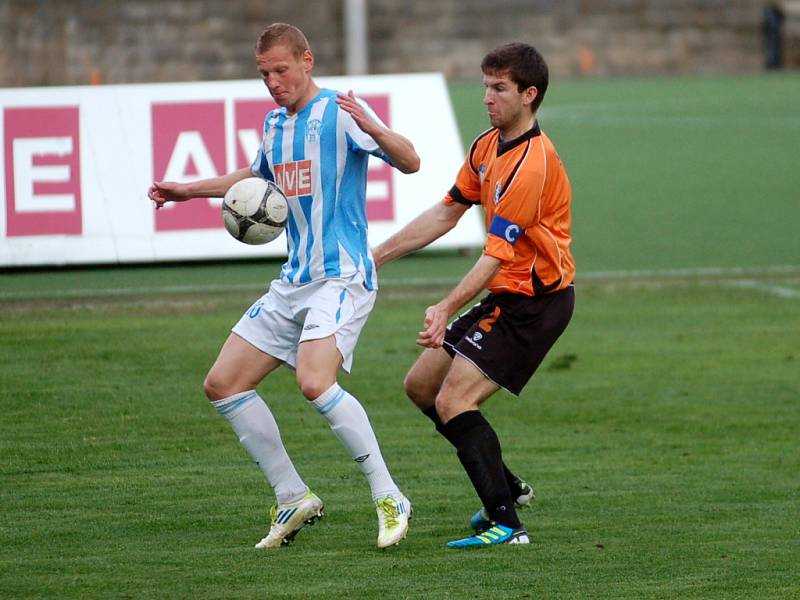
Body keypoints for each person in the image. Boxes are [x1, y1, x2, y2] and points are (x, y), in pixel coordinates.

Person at [147, 23, 419, 549]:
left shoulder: (341, 114)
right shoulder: (274, 125)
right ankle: (292, 496)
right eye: (264, 74)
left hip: (342, 277)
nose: (273, 82)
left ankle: (389, 494)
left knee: (314, 382)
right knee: (223, 383)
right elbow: (252, 182)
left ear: (307, 61)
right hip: (294, 282)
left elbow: (410, 161)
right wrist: (186, 191)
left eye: (281, 70)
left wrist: (376, 128)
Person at [373, 42, 574, 548]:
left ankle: (506, 524)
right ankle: (507, 486)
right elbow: (446, 212)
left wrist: (444, 307)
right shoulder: (487, 147)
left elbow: (496, 256)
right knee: (421, 387)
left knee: (453, 399)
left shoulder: (532, 164)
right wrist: (376, 256)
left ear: (529, 95)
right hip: (507, 295)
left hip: (535, 302)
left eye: (498, 88)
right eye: (485, 85)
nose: (486, 96)